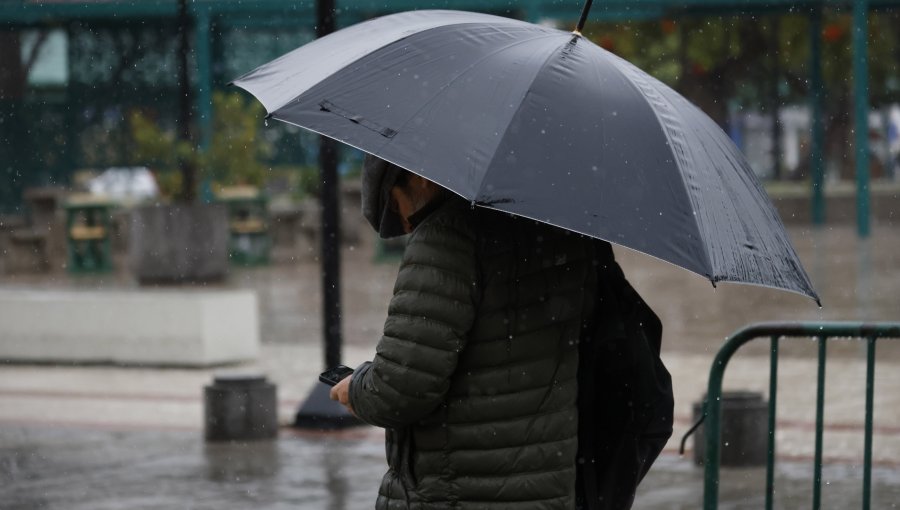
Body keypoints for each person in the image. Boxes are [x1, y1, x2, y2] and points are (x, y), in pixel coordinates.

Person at [330, 155, 663, 509]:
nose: (407, 223)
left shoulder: (447, 235)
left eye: (396, 201)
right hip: (546, 488)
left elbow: (401, 387)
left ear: (419, 177)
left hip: (457, 492)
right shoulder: (563, 231)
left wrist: (358, 387)